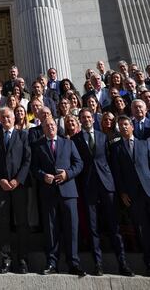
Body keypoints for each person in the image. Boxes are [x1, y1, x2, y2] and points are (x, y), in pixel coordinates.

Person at [72, 109, 133, 276]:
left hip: (107, 185)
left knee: (114, 226)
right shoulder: (75, 139)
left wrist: (118, 187)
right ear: (80, 120)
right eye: (83, 117)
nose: (86, 120)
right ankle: (98, 264)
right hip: (88, 187)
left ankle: (123, 263)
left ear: (93, 119)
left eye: (88, 117)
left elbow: (111, 160)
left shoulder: (102, 136)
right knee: (93, 228)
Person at [31, 118, 85, 276]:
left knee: (72, 228)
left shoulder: (68, 143)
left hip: (68, 192)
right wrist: (42, 176)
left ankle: (73, 263)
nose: (50, 127)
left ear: (56, 127)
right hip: (49, 193)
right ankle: (52, 263)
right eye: (47, 126)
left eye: (52, 125)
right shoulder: (38, 145)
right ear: (43, 129)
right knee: (51, 229)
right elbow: (34, 168)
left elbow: (79, 163)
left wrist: (67, 174)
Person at [0, 107, 31, 273]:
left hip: (18, 186)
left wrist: (17, 180)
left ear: (14, 119)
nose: (5, 119)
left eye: (8, 117)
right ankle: (6, 259)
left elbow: (27, 160)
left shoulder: (23, 135)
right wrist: (0, 180)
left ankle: (22, 260)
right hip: (2, 187)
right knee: (3, 224)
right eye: (3, 117)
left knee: (22, 223)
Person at [110, 115, 150, 275]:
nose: (124, 127)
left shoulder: (144, 144)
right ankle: (148, 262)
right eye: (120, 125)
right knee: (143, 229)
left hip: (148, 189)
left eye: (126, 124)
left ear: (132, 126)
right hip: (132, 194)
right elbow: (117, 173)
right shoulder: (116, 147)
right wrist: (122, 192)